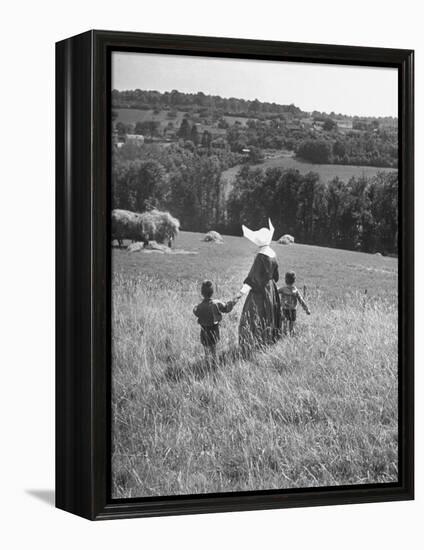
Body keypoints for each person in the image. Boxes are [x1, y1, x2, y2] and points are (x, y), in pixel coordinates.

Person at [236, 219, 282, 350]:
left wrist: (241, 293)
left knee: (253, 315)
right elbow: (276, 277)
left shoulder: (260, 256)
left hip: (260, 291)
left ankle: (252, 344)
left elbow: (252, 277)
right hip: (271, 290)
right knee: (270, 314)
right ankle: (267, 343)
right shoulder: (273, 254)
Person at [193, 280, 239, 365]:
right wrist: (234, 300)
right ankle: (215, 367)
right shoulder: (217, 303)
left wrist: (195, 307)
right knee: (214, 351)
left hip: (204, 331)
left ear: (202, 293)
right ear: (212, 292)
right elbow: (227, 308)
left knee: (206, 352)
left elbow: (195, 312)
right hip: (214, 331)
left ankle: (207, 365)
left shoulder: (199, 306)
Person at [278, 271, 310, 336]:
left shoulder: (283, 289)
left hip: (285, 309)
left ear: (285, 280)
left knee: (284, 325)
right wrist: (306, 309)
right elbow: (301, 301)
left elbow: (275, 291)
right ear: (294, 280)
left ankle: (284, 337)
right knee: (291, 327)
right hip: (293, 310)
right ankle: (291, 338)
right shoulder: (295, 290)